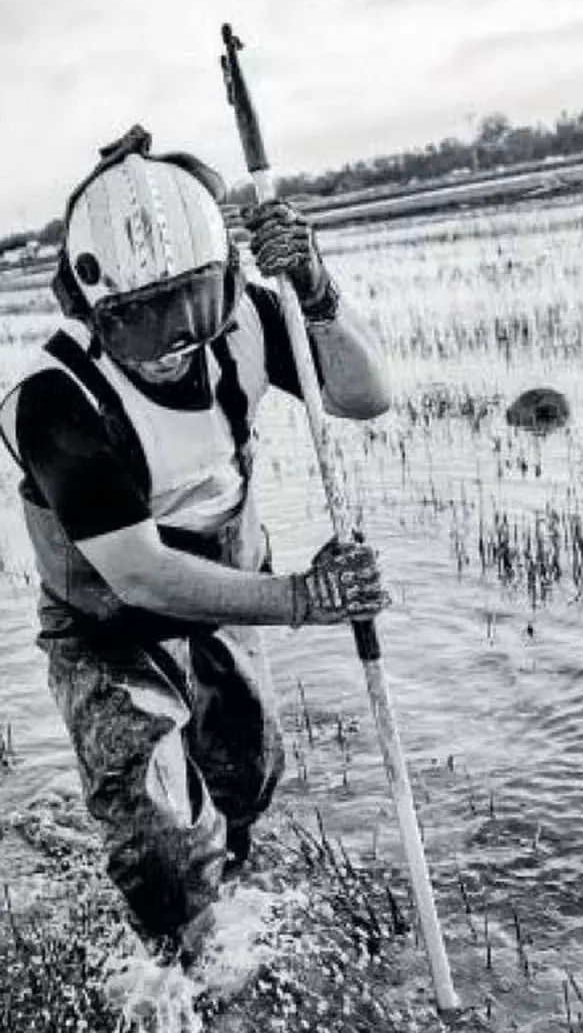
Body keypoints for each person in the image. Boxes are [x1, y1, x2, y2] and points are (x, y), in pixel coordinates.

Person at [0, 125, 391, 965]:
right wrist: (299, 599)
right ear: (92, 306)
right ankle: (178, 976)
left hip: (226, 589)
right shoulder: (54, 402)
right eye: (146, 324)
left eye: (194, 308)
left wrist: (314, 291)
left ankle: (230, 913)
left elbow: (365, 395)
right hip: (111, 635)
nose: (178, 345)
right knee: (166, 859)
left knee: (246, 779)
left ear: (222, 279)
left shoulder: (245, 320)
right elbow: (140, 575)